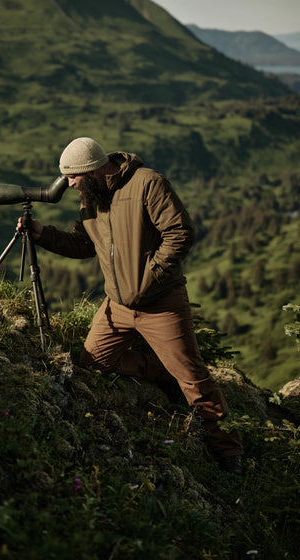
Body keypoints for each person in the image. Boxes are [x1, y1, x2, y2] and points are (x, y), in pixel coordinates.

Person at [17, 137, 243, 475]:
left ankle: (228, 450)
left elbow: (181, 232)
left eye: (73, 178)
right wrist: (42, 234)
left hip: (161, 302)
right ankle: (164, 370)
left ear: (92, 170)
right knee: (94, 361)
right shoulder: (91, 197)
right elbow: (83, 244)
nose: (69, 185)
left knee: (193, 378)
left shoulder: (148, 184)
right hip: (118, 306)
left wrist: (149, 277)